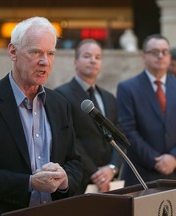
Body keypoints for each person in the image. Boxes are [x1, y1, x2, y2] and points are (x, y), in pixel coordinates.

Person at [0, 17, 83, 216]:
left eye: (51, 53)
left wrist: (65, 180)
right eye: (36, 52)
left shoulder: (60, 104)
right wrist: (29, 183)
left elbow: (74, 162)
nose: (45, 61)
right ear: (13, 52)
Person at [116, 34, 176, 187]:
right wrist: (156, 161)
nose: (160, 56)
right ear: (144, 56)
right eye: (155, 52)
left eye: (165, 52)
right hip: (142, 173)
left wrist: (174, 158)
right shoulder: (127, 88)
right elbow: (128, 131)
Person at [55, 39, 122, 194]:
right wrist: (96, 173)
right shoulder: (61, 95)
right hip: (80, 180)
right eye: (87, 56)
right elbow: (69, 139)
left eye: (98, 57)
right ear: (75, 62)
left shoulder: (109, 97)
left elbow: (119, 135)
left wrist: (112, 168)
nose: (93, 61)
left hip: (110, 180)